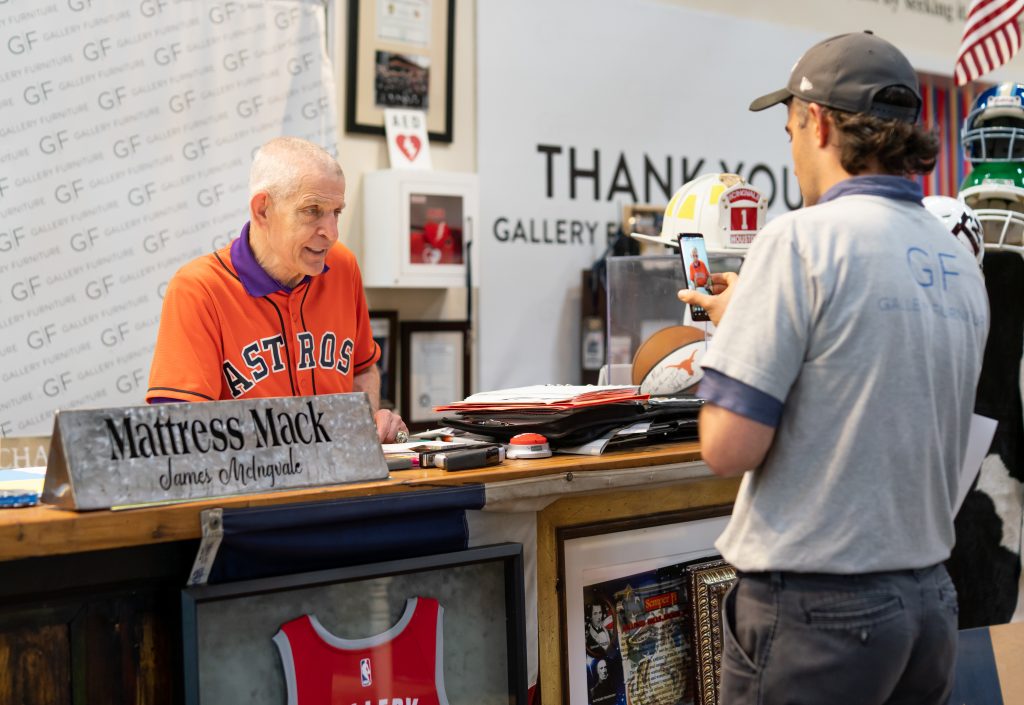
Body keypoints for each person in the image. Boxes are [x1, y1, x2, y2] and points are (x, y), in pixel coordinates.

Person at [678, 32, 989, 704]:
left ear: (816, 123)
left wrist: (734, 337)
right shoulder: (959, 261)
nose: (790, 152)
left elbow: (727, 446)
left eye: (790, 128)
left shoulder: (800, 240)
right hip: (929, 602)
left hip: (819, 612)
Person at [146, 137, 407, 443]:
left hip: (342, 485)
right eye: (312, 210)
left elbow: (362, 369)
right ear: (262, 210)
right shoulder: (198, 289)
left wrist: (366, 426)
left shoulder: (343, 266)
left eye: (336, 212)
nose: (331, 233)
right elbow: (178, 428)